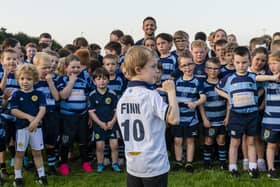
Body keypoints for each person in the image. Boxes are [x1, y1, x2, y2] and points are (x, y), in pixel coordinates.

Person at [116, 46, 179, 187]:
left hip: (133, 163)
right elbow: (174, 119)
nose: (156, 71)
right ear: (138, 70)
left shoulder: (123, 98)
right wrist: (171, 92)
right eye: (152, 67)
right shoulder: (151, 95)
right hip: (154, 164)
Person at [215, 46, 260, 178]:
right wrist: (228, 96)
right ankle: (233, 168)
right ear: (233, 62)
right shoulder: (229, 78)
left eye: (244, 62)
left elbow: (263, 84)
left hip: (252, 114)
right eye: (238, 62)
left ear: (249, 61)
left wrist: (274, 78)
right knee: (235, 142)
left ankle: (253, 167)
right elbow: (217, 88)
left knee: (251, 142)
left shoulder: (253, 76)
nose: (241, 65)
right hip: (236, 115)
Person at [10, 64, 47, 186]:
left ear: (35, 80)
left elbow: (42, 109)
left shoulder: (39, 94)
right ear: (18, 79)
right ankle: (18, 177)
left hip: (36, 128)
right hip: (21, 129)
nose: (25, 82)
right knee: (19, 153)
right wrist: (29, 117)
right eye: (22, 79)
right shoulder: (16, 94)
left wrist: (35, 121)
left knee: (37, 152)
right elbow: (13, 110)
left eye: (29, 79)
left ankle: (42, 176)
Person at [57, 54, 93, 175]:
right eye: (73, 67)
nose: (76, 70)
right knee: (66, 141)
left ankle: (85, 162)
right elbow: (63, 96)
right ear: (66, 67)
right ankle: (64, 163)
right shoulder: (62, 80)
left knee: (83, 140)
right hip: (67, 117)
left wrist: (89, 115)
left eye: (78, 67)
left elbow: (88, 98)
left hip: (82, 116)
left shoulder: (83, 81)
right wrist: (71, 82)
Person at [173, 52, 206, 172]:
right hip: (178, 117)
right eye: (184, 65)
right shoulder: (176, 81)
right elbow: (170, 96)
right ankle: (178, 161)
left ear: (194, 65)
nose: (187, 67)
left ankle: (189, 162)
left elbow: (203, 97)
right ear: (180, 68)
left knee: (190, 140)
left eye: (190, 64)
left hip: (191, 118)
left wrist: (195, 103)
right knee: (178, 140)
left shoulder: (197, 81)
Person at [89, 67, 122, 173]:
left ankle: (115, 164)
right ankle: (100, 164)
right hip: (99, 125)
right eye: (98, 79)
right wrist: (100, 123)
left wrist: (113, 121)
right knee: (99, 146)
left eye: (104, 79)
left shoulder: (112, 94)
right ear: (94, 81)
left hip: (112, 124)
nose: (102, 81)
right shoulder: (92, 95)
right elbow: (91, 112)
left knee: (114, 145)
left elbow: (117, 109)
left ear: (108, 80)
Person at [33, 52, 60, 175]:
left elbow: (56, 97)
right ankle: (38, 166)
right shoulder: (33, 83)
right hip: (39, 115)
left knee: (51, 140)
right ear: (35, 67)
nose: (47, 70)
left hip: (52, 114)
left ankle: (51, 164)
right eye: (44, 67)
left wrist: (50, 83)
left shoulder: (52, 81)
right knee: (38, 141)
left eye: (49, 67)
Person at [199, 57, 228, 170]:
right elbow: (201, 104)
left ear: (219, 70)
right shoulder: (202, 84)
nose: (213, 71)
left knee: (221, 140)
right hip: (209, 119)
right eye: (210, 68)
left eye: (216, 69)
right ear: (205, 70)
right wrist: (204, 119)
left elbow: (228, 101)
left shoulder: (223, 84)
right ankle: (207, 162)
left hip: (221, 118)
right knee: (209, 140)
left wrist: (227, 117)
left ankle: (222, 162)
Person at [256, 51, 280, 179]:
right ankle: (271, 169)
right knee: (271, 144)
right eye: (270, 63)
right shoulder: (267, 79)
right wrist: (272, 77)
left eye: (275, 63)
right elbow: (255, 77)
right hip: (270, 120)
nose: (272, 66)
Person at [0, 49, 19, 169]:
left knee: (16, 137)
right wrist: (6, 75)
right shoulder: (1, 75)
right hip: (4, 112)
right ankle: (5, 163)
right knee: (5, 138)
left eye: (14, 59)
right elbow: (1, 90)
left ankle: (18, 158)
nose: (12, 61)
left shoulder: (20, 75)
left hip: (18, 112)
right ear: (2, 61)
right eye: (8, 59)